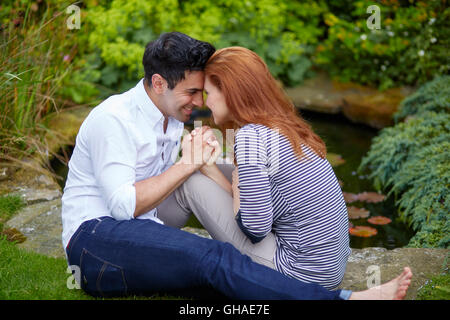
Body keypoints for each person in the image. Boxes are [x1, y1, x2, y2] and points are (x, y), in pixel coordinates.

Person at [62, 31, 412, 299]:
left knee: (198, 190)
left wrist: (219, 168)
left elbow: (254, 221)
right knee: (207, 249)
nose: (200, 103)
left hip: (295, 265)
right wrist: (196, 165)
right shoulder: (115, 119)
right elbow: (123, 207)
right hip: (97, 233)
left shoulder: (178, 118)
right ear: (158, 83)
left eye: (205, 92)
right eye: (192, 93)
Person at [170, 46, 350, 290]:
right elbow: (261, 202)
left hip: (299, 274)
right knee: (212, 168)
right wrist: (213, 169)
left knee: (193, 181)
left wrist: (204, 169)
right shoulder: (279, 125)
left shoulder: (250, 137)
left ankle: (149, 243)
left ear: (230, 92)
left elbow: (255, 228)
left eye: (208, 93)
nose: (204, 102)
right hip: (329, 269)